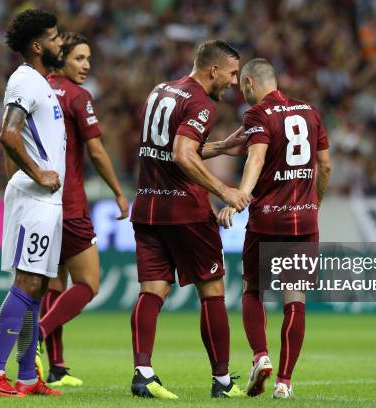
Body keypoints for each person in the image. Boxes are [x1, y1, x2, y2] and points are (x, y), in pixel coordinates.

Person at [129, 40, 250, 399]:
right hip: (185, 210)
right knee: (212, 292)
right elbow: (182, 155)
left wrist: (221, 147)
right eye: (231, 74)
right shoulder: (200, 102)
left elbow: (171, 149)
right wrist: (223, 190)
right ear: (213, 69)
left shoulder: (161, 90)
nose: (233, 82)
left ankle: (143, 374)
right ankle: (223, 382)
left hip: (148, 205)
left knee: (152, 291)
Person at [217, 58, 331, 399]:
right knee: (295, 300)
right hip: (304, 219)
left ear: (251, 83)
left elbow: (256, 158)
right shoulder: (311, 111)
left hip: (268, 218)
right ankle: (284, 381)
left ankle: (260, 356)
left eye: (241, 86)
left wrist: (240, 195)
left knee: (253, 289)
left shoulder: (257, 115)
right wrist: (315, 203)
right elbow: (324, 165)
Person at [0, 9, 66, 397]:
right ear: (37, 45)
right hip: (35, 198)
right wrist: (37, 173)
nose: (60, 41)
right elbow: (8, 134)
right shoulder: (25, 81)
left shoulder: (42, 83)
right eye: (55, 36)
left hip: (46, 199)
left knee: (39, 286)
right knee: (27, 281)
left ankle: (28, 375)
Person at [35, 32, 129, 387]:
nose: (86, 65)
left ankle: (56, 368)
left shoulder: (38, 89)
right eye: (79, 58)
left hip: (39, 202)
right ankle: (38, 335)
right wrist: (119, 192)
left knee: (55, 283)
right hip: (70, 203)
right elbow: (97, 151)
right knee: (88, 283)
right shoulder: (77, 96)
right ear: (62, 59)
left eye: (89, 58)